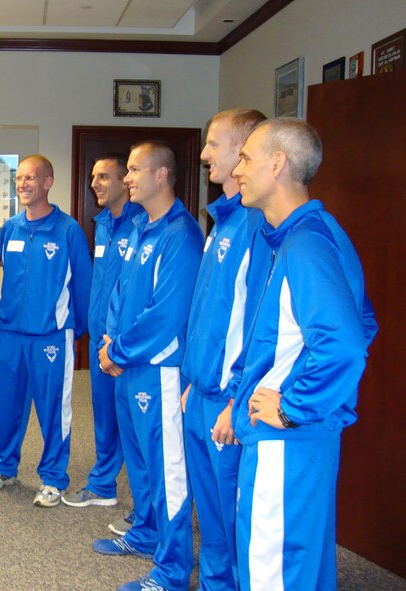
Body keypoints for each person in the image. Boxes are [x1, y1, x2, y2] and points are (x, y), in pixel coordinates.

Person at [230, 118, 376, 590]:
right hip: (300, 441)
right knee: (300, 569)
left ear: (278, 163)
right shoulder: (314, 232)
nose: (237, 170)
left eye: (247, 158)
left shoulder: (306, 243)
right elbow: (364, 323)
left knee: (274, 570)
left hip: (287, 444)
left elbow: (346, 345)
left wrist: (294, 408)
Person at [93, 141, 203, 591]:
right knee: (139, 463)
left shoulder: (182, 234)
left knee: (167, 470)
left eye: (135, 169)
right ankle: (146, 533)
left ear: (162, 176)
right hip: (126, 365)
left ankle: (173, 571)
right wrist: (110, 343)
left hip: (157, 372)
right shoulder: (141, 227)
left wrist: (117, 352)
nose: (129, 177)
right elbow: (121, 294)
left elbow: (166, 315)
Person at [179, 108, 269, 590]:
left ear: (244, 150)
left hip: (229, 402)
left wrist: (236, 399)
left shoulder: (259, 226)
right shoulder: (224, 221)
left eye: (214, 144)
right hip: (202, 392)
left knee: (236, 525)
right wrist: (194, 382)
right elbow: (210, 313)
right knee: (210, 519)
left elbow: (259, 326)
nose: (204, 154)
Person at [0, 154, 92, 508]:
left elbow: (84, 286)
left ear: (48, 182)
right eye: (19, 179)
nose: (23, 184)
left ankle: (53, 477)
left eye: (31, 178)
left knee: (53, 410)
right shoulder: (11, 228)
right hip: (11, 334)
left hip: (51, 336)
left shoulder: (67, 229)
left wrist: (73, 330)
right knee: (8, 405)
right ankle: (2, 466)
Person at [62, 155, 141, 512]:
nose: (95, 183)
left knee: (135, 426)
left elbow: (138, 294)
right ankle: (103, 483)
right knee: (104, 416)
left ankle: (146, 510)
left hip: (126, 345)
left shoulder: (143, 224)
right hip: (99, 342)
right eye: (93, 176)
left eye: (104, 176)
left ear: (126, 181)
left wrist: (118, 341)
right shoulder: (103, 224)